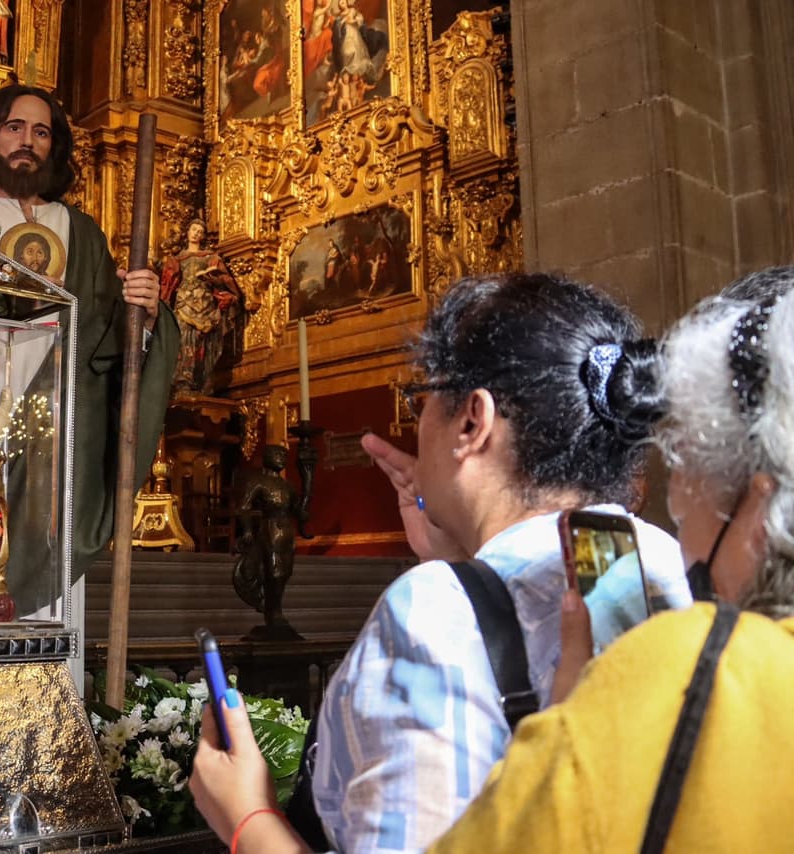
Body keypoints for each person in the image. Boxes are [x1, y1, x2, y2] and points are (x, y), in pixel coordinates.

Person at [424, 264, 794, 851]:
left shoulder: (684, 683)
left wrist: (570, 743)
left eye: (687, 504)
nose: (681, 537)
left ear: (761, 510)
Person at [192, 271, 691, 852]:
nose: (416, 425)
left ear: (473, 421)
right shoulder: (664, 562)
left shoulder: (431, 615)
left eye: (420, 401)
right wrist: (466, 562)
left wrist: (248, 819)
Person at [0, 83, 180, 586]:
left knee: (52, 598)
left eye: (41, 132)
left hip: (58, 442)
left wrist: (146, 315)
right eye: (15, 127)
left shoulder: (79, 231)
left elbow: (107, 346)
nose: (28, 140)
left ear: (54, 146)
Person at [159, 218, 242, 395]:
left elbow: (225, 281)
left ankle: (201, 378)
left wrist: (213, 279)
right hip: (183, 303)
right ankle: (183, 379)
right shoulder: (178, 259)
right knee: (182, 338)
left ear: (203, 236)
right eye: (193, 230)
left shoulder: (210, 258)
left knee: (201, 340)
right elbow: (168, 284)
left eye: (200, 232)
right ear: (187, 232)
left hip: (204, 304)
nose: (196, 234)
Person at [232, 444, 306, 634]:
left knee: (285, 572)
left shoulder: (287, 486)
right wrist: (247, 530)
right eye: (277, 454)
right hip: (270, 529)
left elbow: (298, 511)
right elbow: (244, 507)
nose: (281, 458)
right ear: (267, 457)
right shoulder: (258, 481)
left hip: (287, 532)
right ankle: (273, 612)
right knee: (274, 572)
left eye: (284, 455)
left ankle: (275, 608)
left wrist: (307, 489)